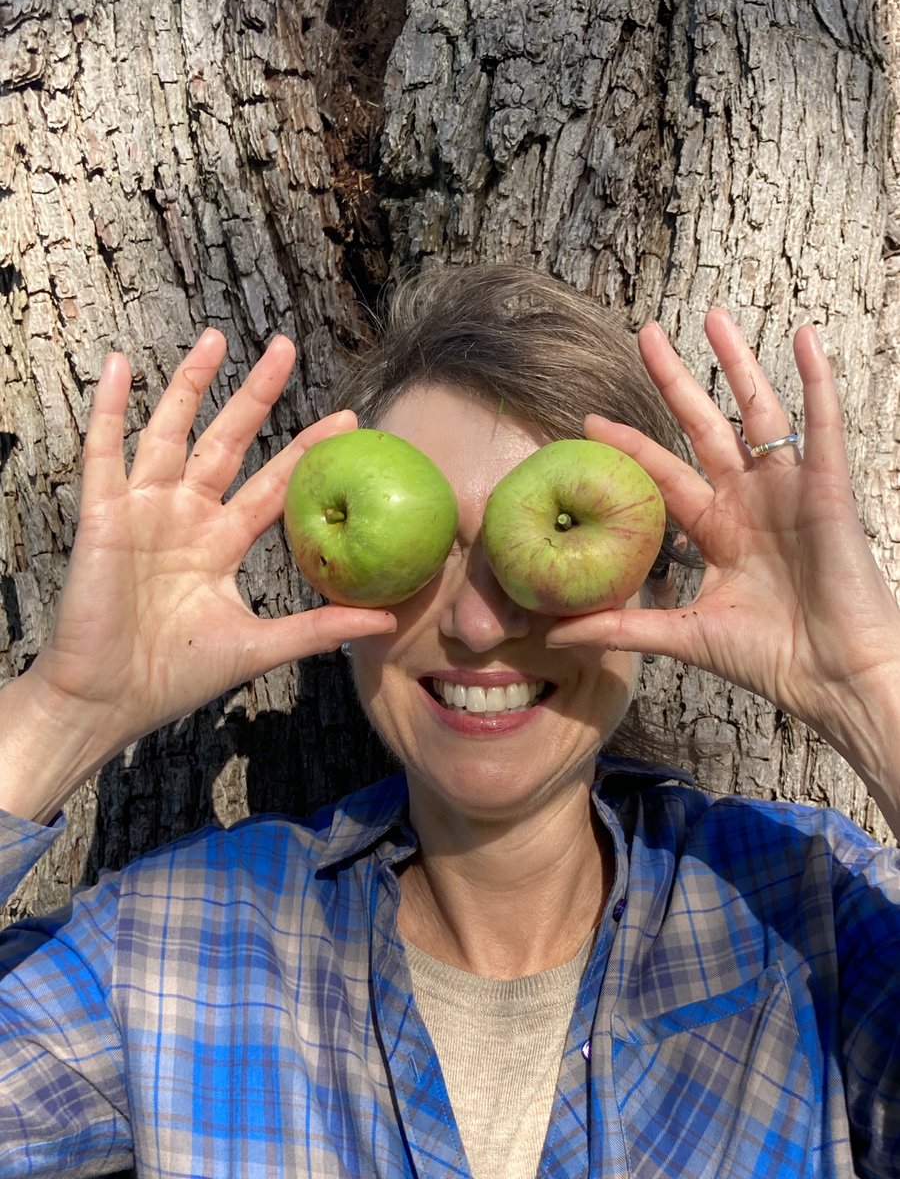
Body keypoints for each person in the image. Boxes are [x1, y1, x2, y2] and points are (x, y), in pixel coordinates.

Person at [0, 264, 898, 1178]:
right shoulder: (175, 950)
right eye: (427, 554)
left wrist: (871, 686)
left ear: (657, 586)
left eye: (540, 552)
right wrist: (66, 708)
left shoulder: (818, 914)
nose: (476, 626)